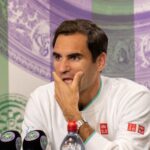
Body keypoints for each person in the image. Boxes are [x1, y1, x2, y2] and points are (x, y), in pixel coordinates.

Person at [22, 19, 150, 150]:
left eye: (74, 57)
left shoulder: (134, 97)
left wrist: (73, 116)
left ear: (100, 61)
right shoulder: (40, 99)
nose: (62, 68)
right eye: (57, 57)